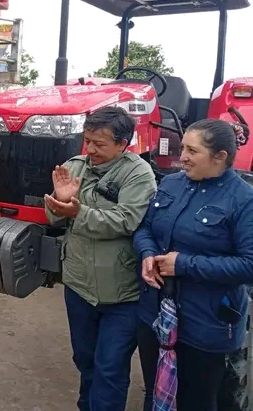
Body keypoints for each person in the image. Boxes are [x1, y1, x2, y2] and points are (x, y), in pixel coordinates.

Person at [43, 106, 157, 411]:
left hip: (122, 294)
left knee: (110, 367)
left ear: (122, 144)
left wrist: (78, 212)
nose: (90, 149)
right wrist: (59, 204)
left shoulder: (138, 174)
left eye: (99, 143)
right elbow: (53, 218)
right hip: (79, 286)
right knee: (85, 359)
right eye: (87, 140)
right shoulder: (74, 166)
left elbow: (125, 220)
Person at [134, 119, 253, 410]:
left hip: (206, 326)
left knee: (195, 401)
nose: (182, 156)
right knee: (154, 391)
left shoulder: (244, 200)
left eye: (192, 150)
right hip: (156, 314)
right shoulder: (171, 183)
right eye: (183, 147)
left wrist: (184, 264)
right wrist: (147, 253)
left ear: (220, 156)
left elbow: (249, 265)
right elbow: (144, 229)